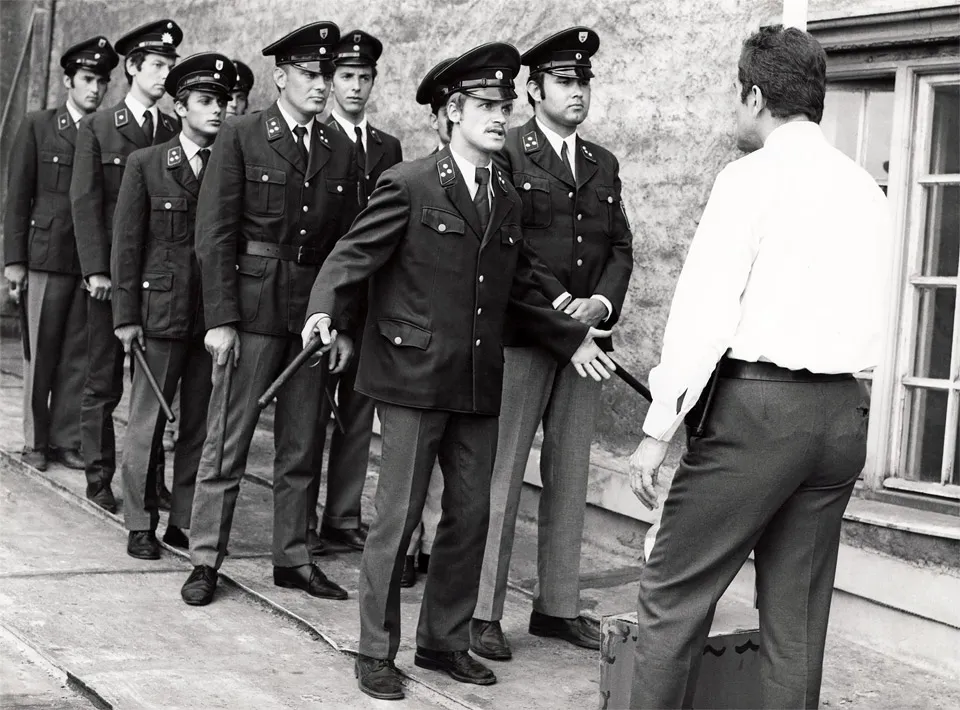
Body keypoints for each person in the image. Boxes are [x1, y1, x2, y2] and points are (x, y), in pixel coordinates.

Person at [301, 41, 615, 701]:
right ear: (452, 111)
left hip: (476, 382)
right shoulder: (410, 182)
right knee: (396, 518)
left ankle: (444, 641)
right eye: (486, 106)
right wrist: (324, 311)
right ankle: (375, 650)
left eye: (505, 105)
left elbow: (523, 286)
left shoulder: (502, 195)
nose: (500, 117)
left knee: (470, 515)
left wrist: (571, 336)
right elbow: (351, 254)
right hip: (412, 379)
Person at [627, 26, 893, 709]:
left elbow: (703, 316)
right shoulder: (866, 189)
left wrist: (659, 429)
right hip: (842, 413)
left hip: (759, 412)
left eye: (735, 99)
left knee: (672, 592)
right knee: (796, 620)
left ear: (754, 95)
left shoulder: (749, 180)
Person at [180, 21, 358, 607]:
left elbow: (346, 249)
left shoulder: (340, 149)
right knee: (226, 441)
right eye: (310, 74)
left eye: (326, 76)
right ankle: (205, 557)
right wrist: (220, 319)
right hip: (251, 311)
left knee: (303, 444)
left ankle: (293, 558)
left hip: (310, 316)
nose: (321, 85)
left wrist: (340, 322)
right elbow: (215, 234)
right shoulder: (241, 134)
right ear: (280, 77)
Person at [472, 27, 633, 661]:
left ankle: (557, 606)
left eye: (583, 83)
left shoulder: (602, 164)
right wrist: (563, 311)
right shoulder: (507, 151)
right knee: (502, 473)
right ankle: (483, 610)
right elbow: (506, 249)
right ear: (534, 90)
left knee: (571, 473)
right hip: (526, 336)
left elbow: (619, 246)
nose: (577, 93)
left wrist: (601, 303)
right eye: (565, 82)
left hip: (587, 339)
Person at [110, 53, 236, 560]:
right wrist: (125, 317)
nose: (218, 111)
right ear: (180, 107)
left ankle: (184, 520)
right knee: (147, 422)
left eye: (222, 103)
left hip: (210, 319)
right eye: (206, 102)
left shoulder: (232, 167)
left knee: (200, 426)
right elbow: (126, 243)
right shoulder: (147, 163)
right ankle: (140, 521)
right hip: (158, 313)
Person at [71, 20, 182, 513]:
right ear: (133, 67)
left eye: (169, 66)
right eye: (156, 65)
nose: (164, 75)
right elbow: (85, 201)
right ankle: (98, 475)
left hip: (156, 278)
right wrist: (96, 269)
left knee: (152, 387)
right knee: (102, 380)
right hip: (110, 278)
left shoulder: (175, 129)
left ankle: (150, 478)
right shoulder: (98, 127)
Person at [304, 29, 404, 556]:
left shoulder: (388, 147)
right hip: (324, 299)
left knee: (359, 415)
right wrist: (334, 317)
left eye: (365, 78)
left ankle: (341, 516)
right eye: (346, 76)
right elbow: (324, 239)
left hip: (373, 304)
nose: (356, 87)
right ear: (331, 80)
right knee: (311, 415)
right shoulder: (316, 141)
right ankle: (300, 517)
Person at [3, 36, 118, 474]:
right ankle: (35, 440)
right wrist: (14, 260)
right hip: (45, 257)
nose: (95, 89)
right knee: (40, 351)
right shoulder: (39, 125)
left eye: (102, 82)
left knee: (78, 354)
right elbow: (18, 196)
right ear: (68, 80)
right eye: (88, 79)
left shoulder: (106, 131)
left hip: (88, 262)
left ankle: (66, 439)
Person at [400, 55, 455, 589]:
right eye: (443, 111)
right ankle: (404, 548)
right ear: (437, 119)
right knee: (409, 463)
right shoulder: (413, 179)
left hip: (466, 346)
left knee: (449, 467)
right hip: (418, 346)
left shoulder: (495, 181)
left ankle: (435, 549)